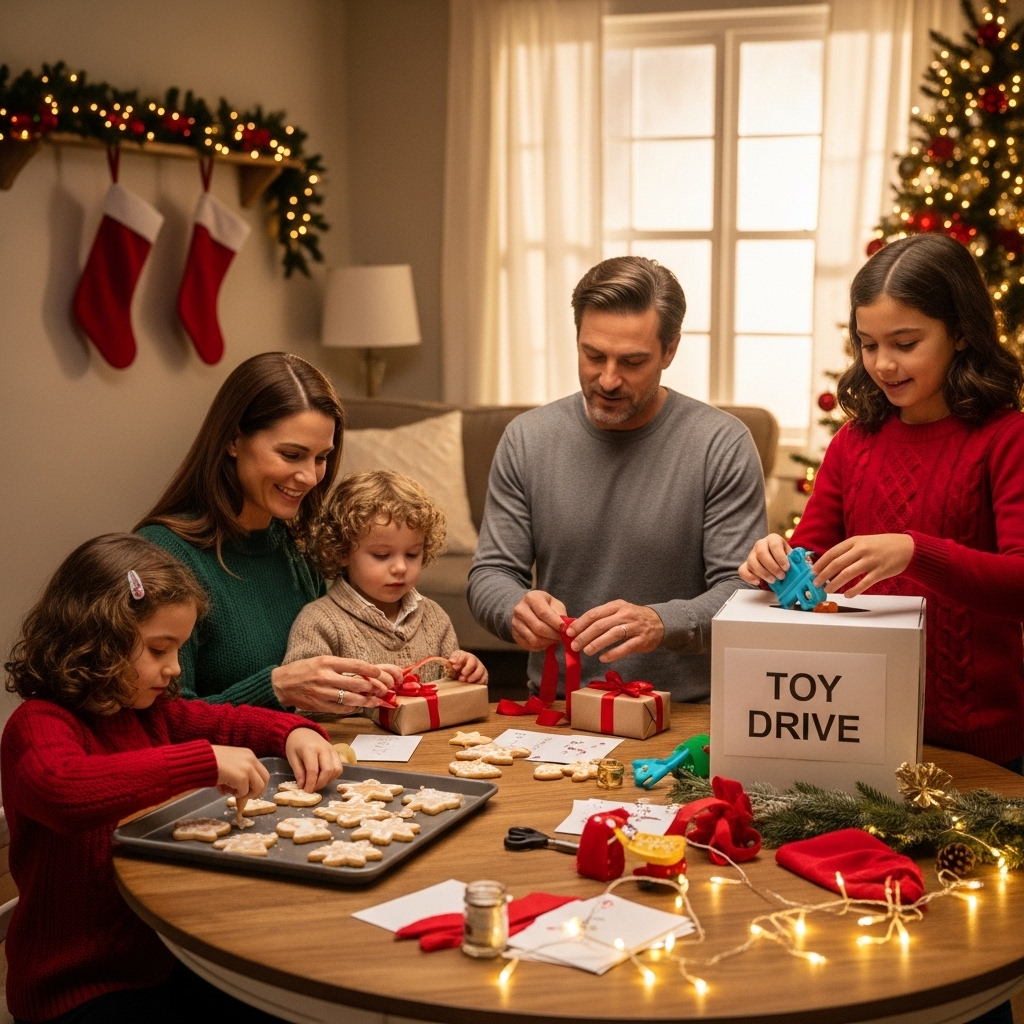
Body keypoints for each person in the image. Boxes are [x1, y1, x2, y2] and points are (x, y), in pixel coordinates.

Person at [1, 533, 342, 1023]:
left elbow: (230, 722)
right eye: (159, 649)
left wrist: (293, 731)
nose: (174, 668)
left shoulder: (149, 713)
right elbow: (64, 788)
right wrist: (202, 761)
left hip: (169, 955)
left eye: (178, 649)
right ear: (98, 641)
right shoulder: (37, 725)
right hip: (77, 987)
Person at [740, 232, 1024, 769]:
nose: (884, 364)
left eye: (905, 343)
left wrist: (915, 552)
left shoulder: (1006, 439)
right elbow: (810, 563)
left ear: (961, 332)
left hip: (981, 749)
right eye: (868, 345)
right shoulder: (854, 441)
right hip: (856, 732)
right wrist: (772, 566)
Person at [468, 256, 768, 701]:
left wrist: (661, 623)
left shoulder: (720, 444)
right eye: (593, 356)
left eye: (632, 361)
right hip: (557, 705)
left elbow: (742, 591)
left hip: (684, 711)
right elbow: (491, 573)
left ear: (670, 351)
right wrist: (512, 608)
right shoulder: (527, 439)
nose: (608, 380)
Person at [137, 352, 398, 712]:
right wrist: (275, 688)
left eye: (321, 458)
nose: (309, 477)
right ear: (233, 440)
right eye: (291, 454)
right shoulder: (163, 557)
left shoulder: (298, 546)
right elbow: (160, 722)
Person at [285, 470, 487, 685]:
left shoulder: (435, 618)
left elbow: (453, 693)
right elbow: (301, 695)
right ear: (341, 551)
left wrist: (465, 673)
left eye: (412, 554)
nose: (400, 567)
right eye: (381, 555)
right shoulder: (318, 622)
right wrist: (356, 687)